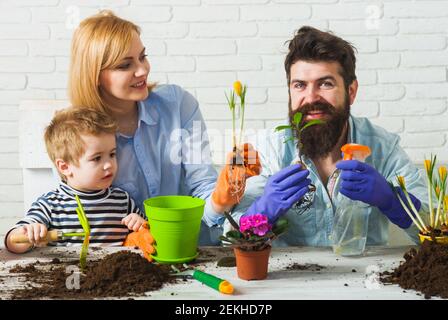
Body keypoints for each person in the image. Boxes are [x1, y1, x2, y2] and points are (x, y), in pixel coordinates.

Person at [68, 11, 260, 245]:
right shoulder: (77, 134)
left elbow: (202, 187)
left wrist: (222, 196)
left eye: (142, 56)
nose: (142, 70)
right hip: (123, 257)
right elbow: (74, 209)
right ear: (95, 75)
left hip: (190, 246)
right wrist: (129, 239)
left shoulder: (177, 105)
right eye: (125, 65)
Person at [229, 26, 428, 246]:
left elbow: (437, 233)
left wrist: (393, 201)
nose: (311, 97)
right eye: (300, 85)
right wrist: (261, 213)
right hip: (288, 277)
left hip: (366, 275)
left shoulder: (384, 148)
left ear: (351, 91)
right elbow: (230, 242)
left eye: (325, 84)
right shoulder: (267, 149)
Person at [5, 108, 154, 260]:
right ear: (65, 167)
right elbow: (12, 242)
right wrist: (29, 233)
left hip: (114, 278)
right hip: (68, 277)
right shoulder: (50, 204)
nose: (109, 164)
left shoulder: (122, 201)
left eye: (112, 154)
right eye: (97, 158)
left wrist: (140, 224)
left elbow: (148, 234)